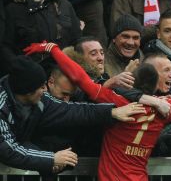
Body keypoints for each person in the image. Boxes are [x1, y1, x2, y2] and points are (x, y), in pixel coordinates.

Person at [24, 42, 171, 181]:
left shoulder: (118, 102)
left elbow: (80, 78)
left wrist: (53, 49)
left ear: (133, 83)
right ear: (154, 86)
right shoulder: (168, 108)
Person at [0, 55, 145, 174]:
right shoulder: (2, 107)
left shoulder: (40, 100)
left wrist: (111, 112)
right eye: (41, 86)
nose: (45, 90)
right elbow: (8, 150)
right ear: (27, 90)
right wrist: (51, 158)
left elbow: (72, 110)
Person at [0, 0, 81, 75]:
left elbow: (77, 40)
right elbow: (5, 46)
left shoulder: (65, 5)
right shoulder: (13, 9)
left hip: (65, 73)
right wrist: (19, 66)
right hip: (31, 76)